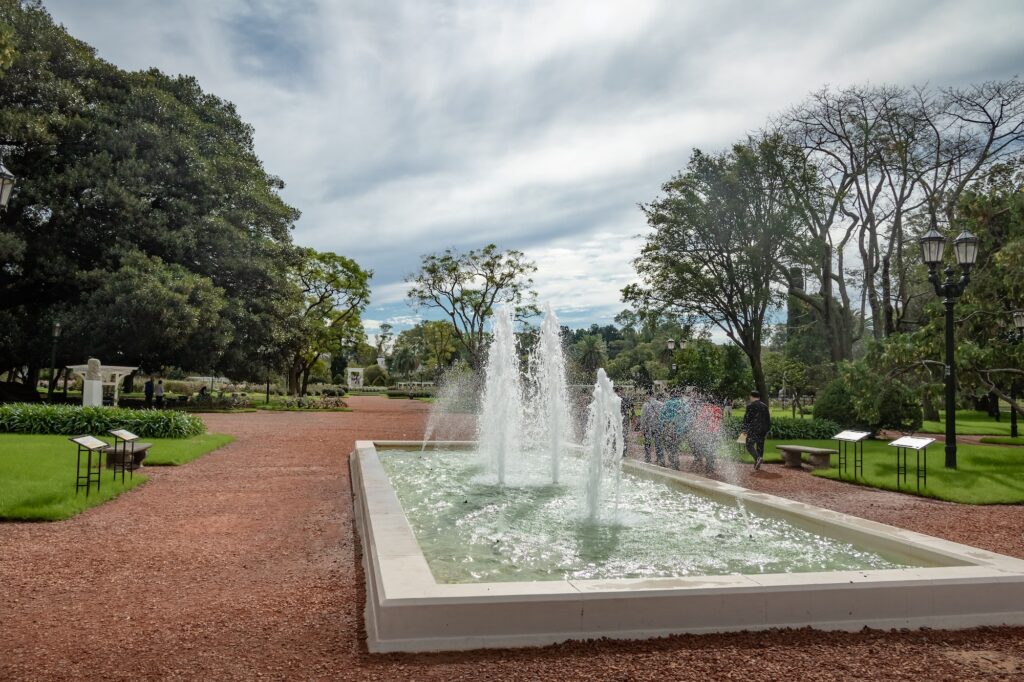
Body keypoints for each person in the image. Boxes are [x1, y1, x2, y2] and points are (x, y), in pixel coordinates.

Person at [741, 390, 771, 471]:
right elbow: (768, 419)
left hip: (753, 429)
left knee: (749, 445)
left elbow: (747, 418)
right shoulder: (765, 406)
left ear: (751, 396)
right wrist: (768, 430)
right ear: (759, 397)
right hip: (763, 429)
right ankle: (758, 463)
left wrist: (744, 429)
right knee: (760, 447)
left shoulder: (750, 406)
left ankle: (757, 458)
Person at [639, 394, 665, 465]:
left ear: (648, 395)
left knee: (647, 443)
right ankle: (660, 459)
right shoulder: (661, 404)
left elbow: (643, 418)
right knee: (658, 443)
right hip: (658, 426)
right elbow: (663, 416)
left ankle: (648, 458)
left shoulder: (645, 405)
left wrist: (642, 428)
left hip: (648, 427)